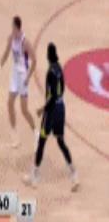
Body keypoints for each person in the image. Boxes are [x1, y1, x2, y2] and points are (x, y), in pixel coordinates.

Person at [23, 43, 80, 191]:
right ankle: (74, 175)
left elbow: (52, 96)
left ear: (48, 56)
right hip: (61, 108)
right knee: (60, 141)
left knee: (41, 142)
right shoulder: (59, 69)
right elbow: (62, 89)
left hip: (51, 112)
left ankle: (34, 177)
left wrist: (42, 109)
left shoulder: (50, 72)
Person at [0, 16, 38, 148]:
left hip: (23, 76)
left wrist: (28, 77)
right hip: (14, 75)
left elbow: (34, 60)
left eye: (13, 27)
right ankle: (15, 136)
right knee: (9, 103)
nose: (11, 29)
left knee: (24, 110)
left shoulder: (25, 42)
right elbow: (6, 53)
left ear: (17, 28)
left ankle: (36, 133)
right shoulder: (11, 38)